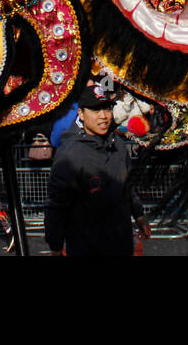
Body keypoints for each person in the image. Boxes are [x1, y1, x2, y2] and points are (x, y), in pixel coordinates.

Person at [44, 82, 150, 256]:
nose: (103, 116)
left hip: (121, 242)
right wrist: (55, 246)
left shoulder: (119, 146)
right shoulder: (69, 155)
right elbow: (56, 206)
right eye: (95, 110)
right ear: (81, 114)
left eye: (107, 109)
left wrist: (138, 215)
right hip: (86, 247)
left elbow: (128, 187)